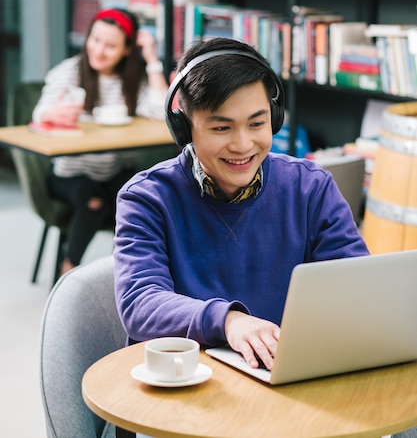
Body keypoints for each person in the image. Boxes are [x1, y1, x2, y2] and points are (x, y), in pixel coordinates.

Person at [113, 36, 370, 371]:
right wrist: (229, 322)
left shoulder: (310, 188)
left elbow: (358, 289)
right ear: (184, 127)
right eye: (222, 127)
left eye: (257, 124)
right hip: (185, 388)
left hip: (285, 383)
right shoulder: (146, 198)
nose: (243, 144)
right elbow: (139, 304)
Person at [32, 8, 168, 276]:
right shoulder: (69, 72)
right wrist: (51, 114)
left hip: (116, 170)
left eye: (111, 45)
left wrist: (152, 58)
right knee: (93, 199)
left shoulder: (133, 79)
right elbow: (39, 114)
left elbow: (161, 112)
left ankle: (128, 273)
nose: (99, 50)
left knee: (145, 194)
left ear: (128, 50)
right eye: (95, 40)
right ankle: (67, 271)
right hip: (72, 174)